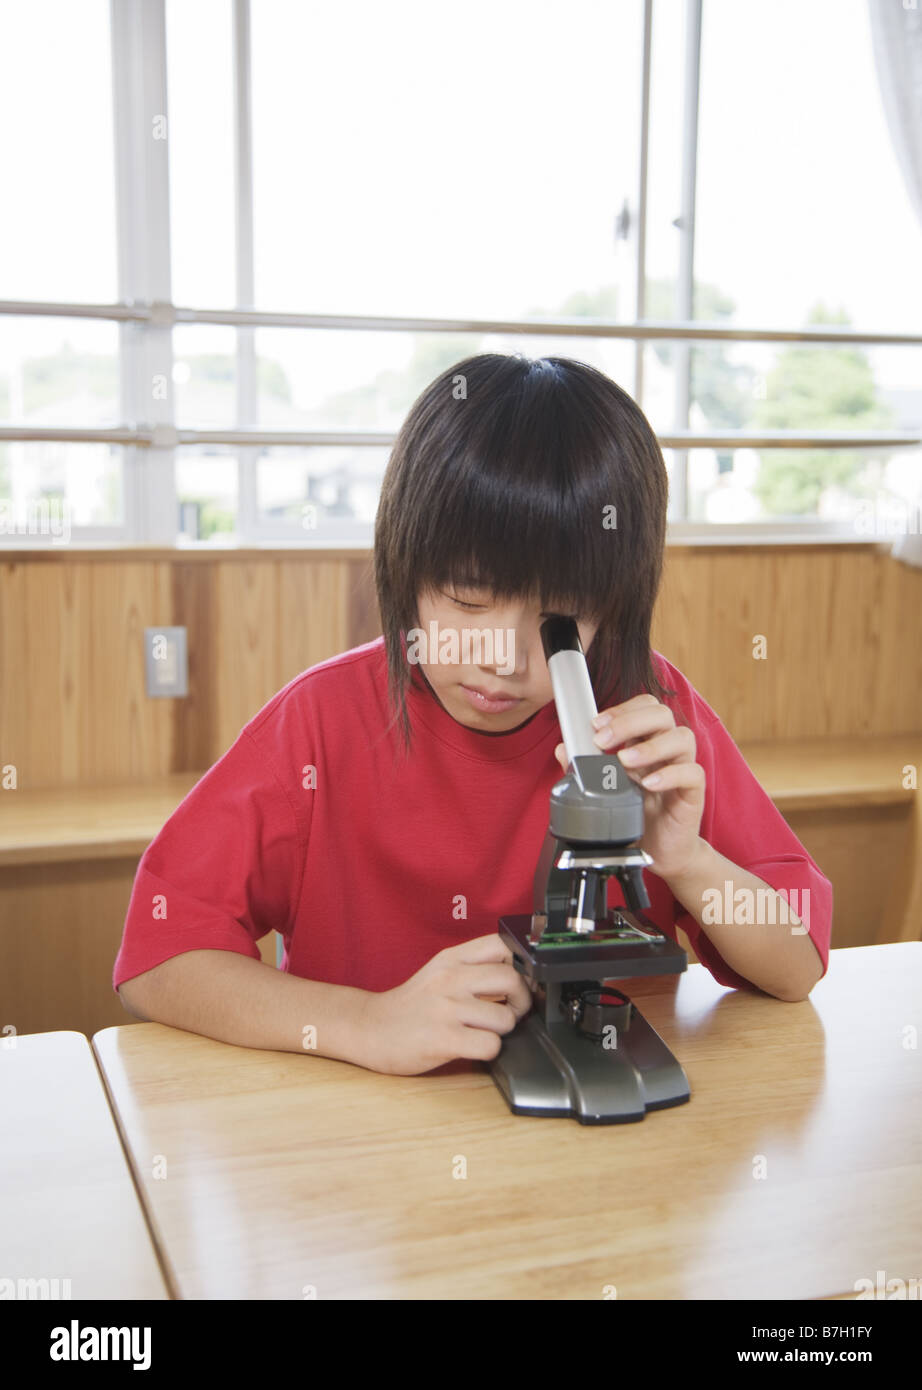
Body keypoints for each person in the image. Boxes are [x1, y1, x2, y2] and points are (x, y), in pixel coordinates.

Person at [114, 354, 832, 1075]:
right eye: (467, 596)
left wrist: (687, 860)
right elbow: (159, 957)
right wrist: (365, 1022)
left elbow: (796, 967)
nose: (506, 659)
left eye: (562, 615)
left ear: (613, 604)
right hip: (376, 1138)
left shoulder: (646, 715)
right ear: (405, 567)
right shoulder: (319, 725)